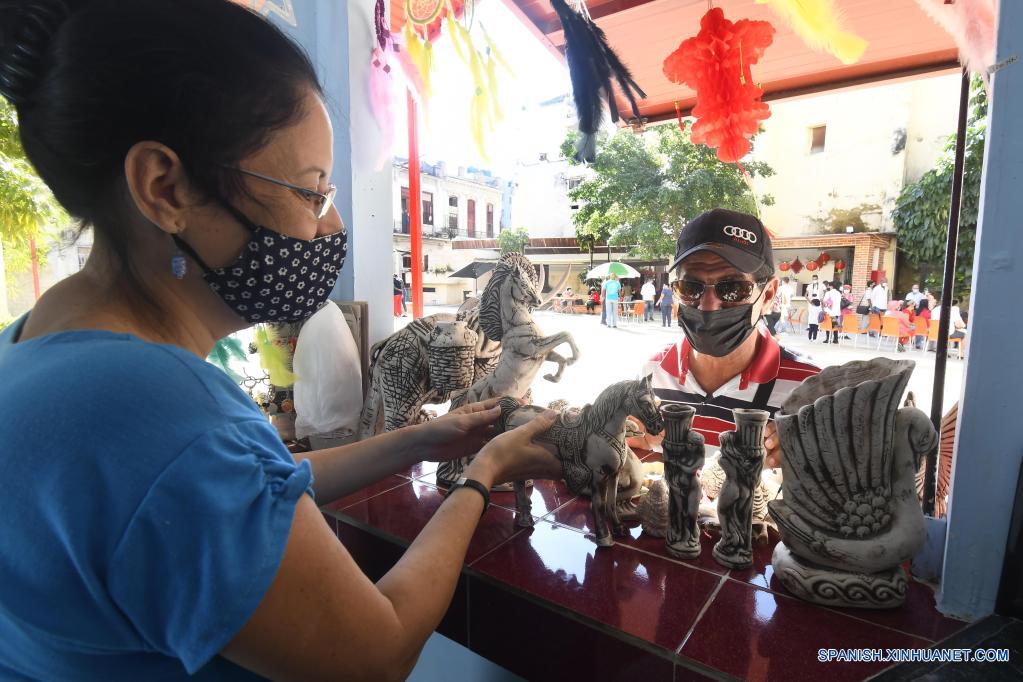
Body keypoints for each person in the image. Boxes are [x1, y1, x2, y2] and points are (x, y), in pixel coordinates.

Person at [0, 2, 560, 678]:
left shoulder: (30, 347)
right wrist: (484, 474)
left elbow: (233, 493)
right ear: (164, 186)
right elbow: (375, 655)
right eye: (310, 193)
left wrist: (422, 439)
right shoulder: (159, 409)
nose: (329, 230)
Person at [640, 208, 819, 469]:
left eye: (733, 289)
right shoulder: (653, 373)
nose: (708, 306)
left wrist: (813, 458)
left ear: (768, 295)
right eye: (691, 288)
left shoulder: (810, 391)